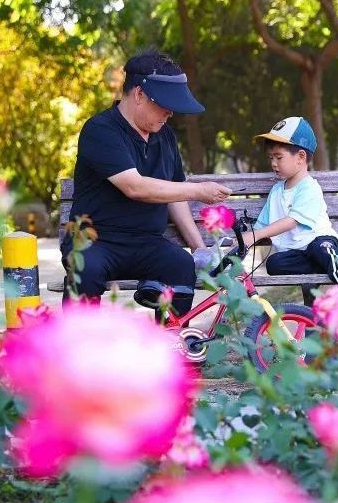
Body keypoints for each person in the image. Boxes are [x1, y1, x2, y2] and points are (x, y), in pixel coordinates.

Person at [62, 49, 231, 314]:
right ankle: (77, 338)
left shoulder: (165, 136)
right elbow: (134, 187)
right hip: (94, 242)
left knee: (180, 265)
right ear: (139, 94)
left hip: (145, 244)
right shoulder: (100, 130)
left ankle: (170, 338)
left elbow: (175, 195)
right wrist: (198, 190)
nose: (170, 113)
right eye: (164, 104)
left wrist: (199, 249)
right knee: (86, 269)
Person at [244, 116, 338, 304]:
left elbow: (292, 221)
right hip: (298, 254)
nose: (273, 163)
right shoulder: (276, 191)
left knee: (318, 249)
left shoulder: (309, 187)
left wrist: (257, 234)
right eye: (271, 158)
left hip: (321, 241)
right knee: (274, 264)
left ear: (301, 157)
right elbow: (261, 226)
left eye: (279, 157)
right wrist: (246, 237)